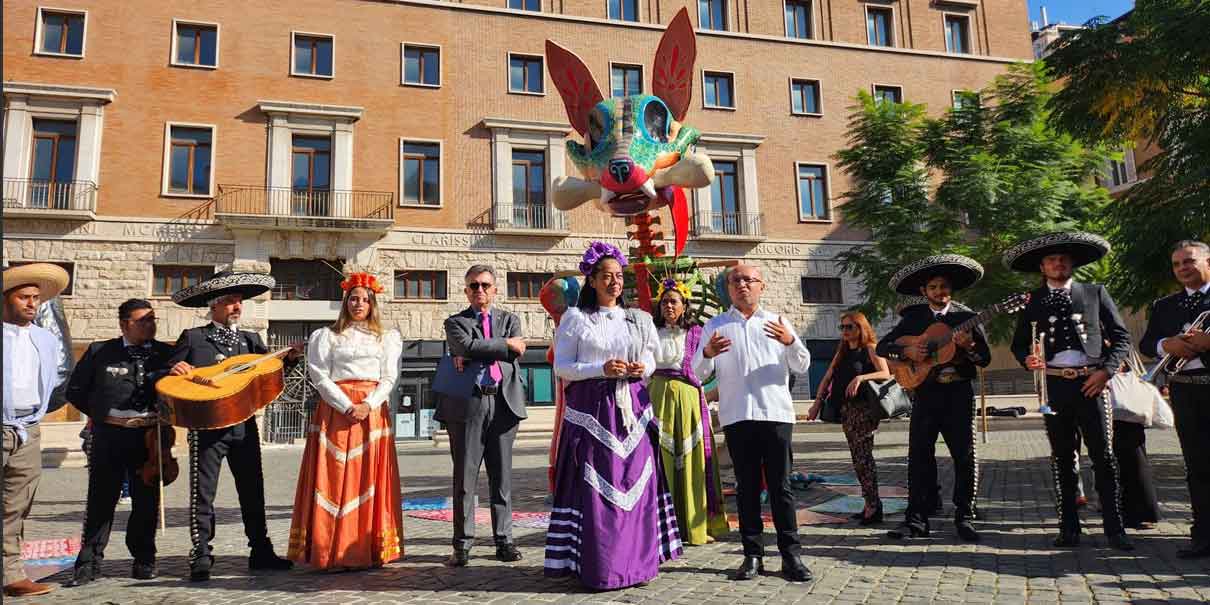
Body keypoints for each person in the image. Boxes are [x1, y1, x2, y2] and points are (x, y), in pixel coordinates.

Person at [544, 241, 681, 590]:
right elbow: (563, 367)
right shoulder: (576, 319)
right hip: (592, 410)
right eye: (607, 276)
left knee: (638, 483)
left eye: (618, 276)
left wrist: (641, 367)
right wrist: (599, 368)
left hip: (631, 407)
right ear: (592, 280)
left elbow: (652, 359)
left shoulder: (639, 318)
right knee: (595, 486)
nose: (615, 282)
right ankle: (600, 565)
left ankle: (638, 564)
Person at [167, 271, 300, 581]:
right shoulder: (194, 337)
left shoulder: (251, 340)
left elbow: (271, 372)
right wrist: (175, 368)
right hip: (207, 429)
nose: (236, 307)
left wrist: (291, 359)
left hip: (244, 427)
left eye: (239, 301)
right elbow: (166, 372)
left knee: (253, 491)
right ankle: (201, 553)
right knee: (204, 493)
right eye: (229, 302)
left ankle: (261, 551)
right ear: (213, 306)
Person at [1006, 232, 1134, 551]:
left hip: (1091, 382)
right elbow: (1019, 343)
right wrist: (1027, 359)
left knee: (1103, 457)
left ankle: (1115, 527)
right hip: (1054, 387)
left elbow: (1121, 337)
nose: (1058, 263)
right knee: (1063, 457)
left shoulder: (1094, 292)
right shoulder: (1032, 300)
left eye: (1063, 259)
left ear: (1071, 263)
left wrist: (1105, 371)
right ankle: (1068, 526)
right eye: (1051, 260)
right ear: (1042, 267)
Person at [693, 263, 813, 582]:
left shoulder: (778, 321)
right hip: (737, 415)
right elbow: (697, 373)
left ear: (762, 285)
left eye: (749, 280)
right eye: (735, 281)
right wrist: (706, 352)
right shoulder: (716, 325)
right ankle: (752, 556)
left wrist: (790, 341)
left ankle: (791, 557)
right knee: (746, 488)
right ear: (729, 288)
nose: (742, 285)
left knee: (781, 488)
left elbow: (803, 364)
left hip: (775, 415)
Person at [288, 272, 404, 570]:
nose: (359, 304)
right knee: (334, 475)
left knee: (368, 477)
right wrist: (345, 404)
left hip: (372, 411)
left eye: (365, 299)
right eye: (354, 298)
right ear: (345, 302)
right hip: (335, 410)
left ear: (373, 303)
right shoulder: (326, 336)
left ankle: (365, 547)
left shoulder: (386, 337)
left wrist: (367, 404)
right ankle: (329, 548)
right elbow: (319, 374)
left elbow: (389, 377)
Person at [878, 254, 990, 543]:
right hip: (926, 395)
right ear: (924, 292)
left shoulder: (967, 319)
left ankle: (964, 517)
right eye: (934, 287)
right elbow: (882, 347)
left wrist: (970, 347)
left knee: (963, 457)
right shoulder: (914, 318)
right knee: (918, 457)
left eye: (944, 287)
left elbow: (985, 359)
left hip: (957, 393)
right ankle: (916, 519)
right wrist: (907, 353)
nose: (940, 292)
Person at [64, 299, 174, 586]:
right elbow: (75, 391)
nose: (150, 325)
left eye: (153, 320)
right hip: (110, 436)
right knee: (102, 500)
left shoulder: (166, 354)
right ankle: (88, 563)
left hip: (149, 437)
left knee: (146, 502)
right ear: (125, 324)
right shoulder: (101, 351)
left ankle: (143, 559)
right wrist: (102, 415)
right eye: (143, 320)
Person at [435, 264, 527, 566]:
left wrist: (477, 351)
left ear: (495, 289)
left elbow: (517, 351)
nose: (480, 291)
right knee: (465, 479)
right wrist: (502, 346)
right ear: (466, 291)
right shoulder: (455, 322)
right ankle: (462, 545)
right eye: (474, 286)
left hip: (503, 404)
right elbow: (465, 344)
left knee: (502, 479)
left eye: (485, 285)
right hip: (468, 406)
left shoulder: (510, 319)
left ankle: (505, 541)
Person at [2, 263, 70, 598]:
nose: (32, 304)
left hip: (28, 428)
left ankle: (12, 575)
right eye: (23, 297)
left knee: (17, 504)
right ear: (5, 300)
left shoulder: (44, 339)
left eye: (36, 298)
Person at [1140, 239, 1210, 557]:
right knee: (1196, 465)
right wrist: (1166, 345)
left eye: (1189, 261)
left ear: (1207, 261)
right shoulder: (1164, 305)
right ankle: (1203, 534)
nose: (1183, 268)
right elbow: (1147, 342)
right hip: (1184, 389)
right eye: (1177, 264)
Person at [649, 278, 728, 545]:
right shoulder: (650, 332)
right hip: (656, 396)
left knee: (694, 461)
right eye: (664, 302)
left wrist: (705, 354)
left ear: (685, 305)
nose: (669, 306)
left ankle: (697, 525)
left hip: (689, 397)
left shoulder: (696, 333)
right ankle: (661, 525)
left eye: (674, 301)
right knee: (660, 459)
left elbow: (704, 368)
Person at [809, 311, 891, 525]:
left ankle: (873, 507)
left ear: (861, 328)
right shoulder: (842, 352)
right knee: (858, 459)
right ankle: (870, 504)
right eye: (842, 327)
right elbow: (827, 377)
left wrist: (861, 377)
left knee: (863, 458)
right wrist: (817, 403)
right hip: (847, 411)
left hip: (865, 410)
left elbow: (885, 373)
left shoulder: (871, 349)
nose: (845, 331)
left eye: (849, 327)